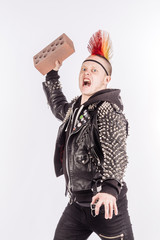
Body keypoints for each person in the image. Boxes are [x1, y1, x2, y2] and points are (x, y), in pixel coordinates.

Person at [42, 30, 134, 240]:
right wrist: (52, 75)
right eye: (84, 68)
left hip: (105, 204)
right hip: (77, 205)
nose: (87, 72)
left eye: (94, 70)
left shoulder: (107, 109)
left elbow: (115, 150)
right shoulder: (76, 107)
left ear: (106, 80)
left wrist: (110, 188)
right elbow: (59, 109)